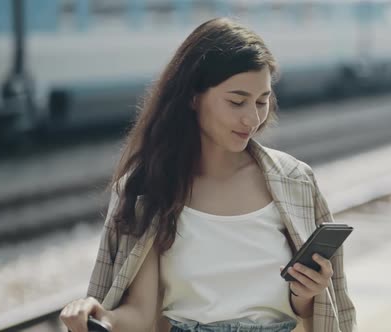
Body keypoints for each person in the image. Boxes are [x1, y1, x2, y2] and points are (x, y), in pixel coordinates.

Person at [60, 17, 357, 332]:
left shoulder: (295, 181)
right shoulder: (150, 189)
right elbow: (142, 313)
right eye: (236, 101)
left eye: (262, 101)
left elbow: (317, 314)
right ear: (193, 96)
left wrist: (308, 296)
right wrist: (100, 317)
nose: (251, 118)